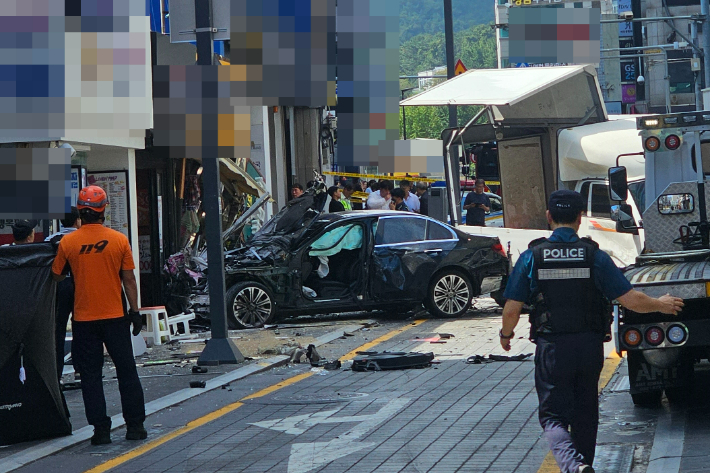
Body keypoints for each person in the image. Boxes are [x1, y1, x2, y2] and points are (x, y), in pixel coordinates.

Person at [500, 190, 684, 473]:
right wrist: (660, 304)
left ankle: (574, 467)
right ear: (580, 218)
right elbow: (630, 299)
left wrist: (506, 336)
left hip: (552, 349)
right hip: (588, 347)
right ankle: (584, 465)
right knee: (586, 413)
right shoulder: (594, 256)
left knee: (553, 418)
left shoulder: (532, 257)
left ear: (549, 216)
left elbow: (512, 309)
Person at [51, 186, 147, 445]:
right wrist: (135, 312)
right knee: (126, 371)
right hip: (116, 317)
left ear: (81, 211)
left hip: (83, 320)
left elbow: (57, 275)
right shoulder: (119, 240)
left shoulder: (68, 243)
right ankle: (135, 426)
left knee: (91, 376)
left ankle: (101, 430)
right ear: (103, 210)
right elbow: (129, 280)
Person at [45, 207, 82, 381]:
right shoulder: (81, 238)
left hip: (58, 286)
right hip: (79, 285)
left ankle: (56, 373)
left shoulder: (50, 240)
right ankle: (80, 370)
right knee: (80, 326)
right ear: (77, 220)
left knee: (58, 329)